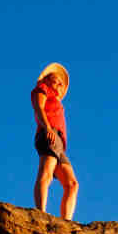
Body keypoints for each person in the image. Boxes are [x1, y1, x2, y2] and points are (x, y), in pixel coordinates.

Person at [31, 62, 78, 219]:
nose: (59, 85)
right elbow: (38, 107)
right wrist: (47, 128)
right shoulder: (42, 90)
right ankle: (41, 213)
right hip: (49, 133)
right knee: (46, 173)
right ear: (46, 81)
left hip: (59, 143)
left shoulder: (57, 103)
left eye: (61, 84)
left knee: (72, 184)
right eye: (56, 81)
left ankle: (66, 222)